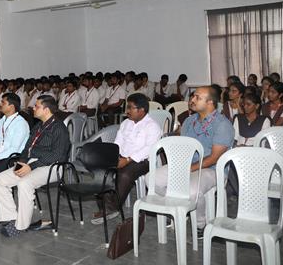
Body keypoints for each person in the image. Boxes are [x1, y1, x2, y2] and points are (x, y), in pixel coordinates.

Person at [153, 86, 234, 235]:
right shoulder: (190, 121)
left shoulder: (222, 124)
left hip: (212, 169)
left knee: (190, 190)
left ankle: (200, 225)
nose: (192, 100)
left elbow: (215, 158)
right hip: (188, 165)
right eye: (193, 96)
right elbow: (183, 147)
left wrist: (190, 168)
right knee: (152, 180)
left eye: (197, 97)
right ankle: (178, 209)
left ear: (210, 102)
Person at [0, 95, 71, 237]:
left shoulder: (59, 128)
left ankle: (21, 226)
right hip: (32, 163)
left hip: (53, 166)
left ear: (46, 109)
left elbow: (57, 155)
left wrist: (32, 166)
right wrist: (23, 161)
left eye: (37, 106)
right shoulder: (39, 125)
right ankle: (10, 218)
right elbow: (27, 147)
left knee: (24, 183)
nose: (33, 108)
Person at [91, 93, 162, 225]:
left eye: (130, 107)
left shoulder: (152, 126)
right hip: (123, 157)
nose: (126, 111)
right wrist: (115, 156)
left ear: (141, 110)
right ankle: (106, 207)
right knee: (101, 169)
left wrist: (127, 160)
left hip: (142, 161)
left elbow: (148, 149)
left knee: (124, 174)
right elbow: (118, 142)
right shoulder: (125, 123)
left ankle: (112, 208)